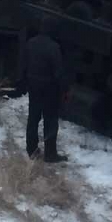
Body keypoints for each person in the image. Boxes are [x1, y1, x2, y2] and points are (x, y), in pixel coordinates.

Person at [25, 17, 68, 164]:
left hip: (33, 85)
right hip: (49, 88)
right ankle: (50, 154)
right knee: (50, 120)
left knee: (33, 118)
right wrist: (63, 89)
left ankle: (31, 150)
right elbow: (58, 72)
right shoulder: (54, 47)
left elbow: (23, 63)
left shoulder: (31, 43)